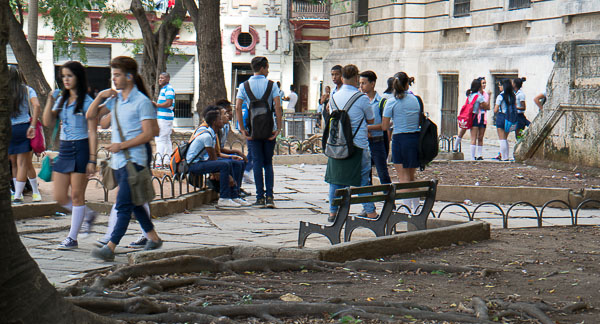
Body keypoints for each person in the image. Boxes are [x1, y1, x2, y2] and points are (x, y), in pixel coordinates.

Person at [88, 56, 163, 261]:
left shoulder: (142, 102)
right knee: (136, 203)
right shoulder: (116, 101)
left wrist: (121, 145)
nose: (115, 79)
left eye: (118, 75)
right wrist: (100, 96)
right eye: (113, 75)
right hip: (119, 162)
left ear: (129, 76)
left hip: (135, 160)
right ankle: (154, 238)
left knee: (122, 204)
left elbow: (148, 134)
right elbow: (94, 117)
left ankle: (110, 247)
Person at [41, 61, 98, 249]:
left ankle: (72, 238)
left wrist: (92, 158)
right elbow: (47, 122)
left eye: (69, 76)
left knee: (76, 194)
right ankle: (88, 215)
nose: (65, 79)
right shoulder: (61, 99)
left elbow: (92, 132)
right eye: (63, 76)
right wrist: (50, 99)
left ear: (78, 78)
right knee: (59, 195)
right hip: (65, 149)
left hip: (81, 148)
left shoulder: (88, 102)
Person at [325, 64, 376, 222]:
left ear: (341, 78)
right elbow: (371, 119)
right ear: (356, 78)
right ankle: (370, 212)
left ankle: (333, 212)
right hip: (357, 145)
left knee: (335, 180)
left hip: (336, 145)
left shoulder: (333, 97)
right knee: (362, 180)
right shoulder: (361, 98)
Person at [235, 56, 282, 208]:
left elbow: (237, 107)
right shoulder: (272, 85)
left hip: (252, 130)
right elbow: (277, 107)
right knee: (268, 163)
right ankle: (270, 197)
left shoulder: (244, 86)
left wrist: (242, 128)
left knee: (256, 163)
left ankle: (259, 197)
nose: (268, 71)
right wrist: (278, 127)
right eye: (267, 68)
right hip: (269, 129)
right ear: (262, 68)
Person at [187, 107, 247, 207]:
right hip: (194, 165)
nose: (222, 121)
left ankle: (234, 195)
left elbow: (214, 156)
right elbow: (213, 157)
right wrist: (227, 176)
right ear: (214, 122)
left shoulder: (212, 134)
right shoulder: (207, 136)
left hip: (202, 161)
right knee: (224, 165)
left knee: (230, 163)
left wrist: (231, 157)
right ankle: (224, 198)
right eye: (219, 119)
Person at [382, 72, 421, 212]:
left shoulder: (391, 101)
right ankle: (416, 208)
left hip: (400, 139)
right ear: (407, 84)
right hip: (415, 138)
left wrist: (395, 121)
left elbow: (385, 126)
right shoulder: (415, 99)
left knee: (402, 177)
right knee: (411, 176)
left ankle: (406, 209)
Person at [8, 65, 42, 204]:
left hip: (9, 129)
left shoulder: (4, 91)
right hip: (24, 128)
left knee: (14, 163)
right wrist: (33, 125)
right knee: (24, 163)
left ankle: (18, 194)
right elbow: (37, 105)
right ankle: (20, 195)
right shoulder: (27, 90)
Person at [359, 70, 391, 189]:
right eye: (360, 83)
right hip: (364, 142)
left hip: (377, 141)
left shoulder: (381, 102)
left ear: (372, 84)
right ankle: (369, 202)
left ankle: (389, 200)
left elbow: (384, 125)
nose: (361, 86)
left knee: (382, 173)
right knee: (366, 174)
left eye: (364, 83)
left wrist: (366, 127)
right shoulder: (360, 101)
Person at [153, 72, 175, 166]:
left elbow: (169, 103)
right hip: (164, 117)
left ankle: (159, 161)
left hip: (164, 118)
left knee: (160, 138)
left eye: (162, 78)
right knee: (166, 139)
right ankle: (167, 160)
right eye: (159, 78)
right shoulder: (164, 89)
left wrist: (156, 105)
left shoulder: (169, 89)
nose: (160, 80)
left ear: (168, 79)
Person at [465, 78, 488, 160]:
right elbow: (486, 106)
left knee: (473, 137)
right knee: (476, 137)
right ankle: (476, 155)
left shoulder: (470, 95)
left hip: (470, 116)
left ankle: (472, 156)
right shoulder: (479, 96)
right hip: (476, 116)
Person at [494, 79, 515, 161]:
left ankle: (504, 157)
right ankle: (506, 156)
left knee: (502, 139)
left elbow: (496, 109)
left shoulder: (500, 96)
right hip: (510, 117)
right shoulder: (513, 95)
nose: (499, 87)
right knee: (505, 138)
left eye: (500, 85)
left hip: (502, 116)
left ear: (503, 86)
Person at [474, 77, 491, 160]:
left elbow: (488, 107)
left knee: (480, 136)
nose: (484, 85)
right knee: (474, 136)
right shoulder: (476, 94)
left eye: (485, 83)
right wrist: (484, 105)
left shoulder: (486, 95)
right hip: (476, 116)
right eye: (483, 83)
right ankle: (473, 154)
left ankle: (479, 154)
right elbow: (481, 105)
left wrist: (489, 98)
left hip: (483, 116)